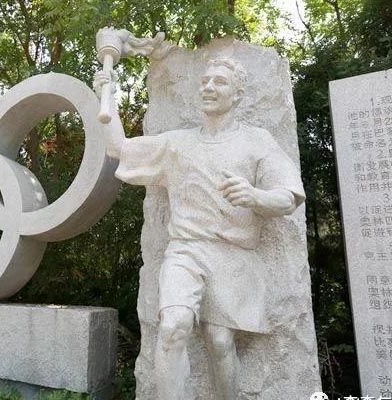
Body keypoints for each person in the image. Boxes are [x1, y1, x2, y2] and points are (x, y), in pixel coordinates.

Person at [95, 55, 305, 400]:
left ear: (237, 94)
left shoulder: (257, 141)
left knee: (220, 342)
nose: (208, 87)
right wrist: (105, 96)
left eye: (219, 82)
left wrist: (254, 196)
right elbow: (119, 148)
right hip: (186, 251)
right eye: (205, 81)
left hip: (233, 256)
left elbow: (288, 198)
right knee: (173, 327)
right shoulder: (177, 144)